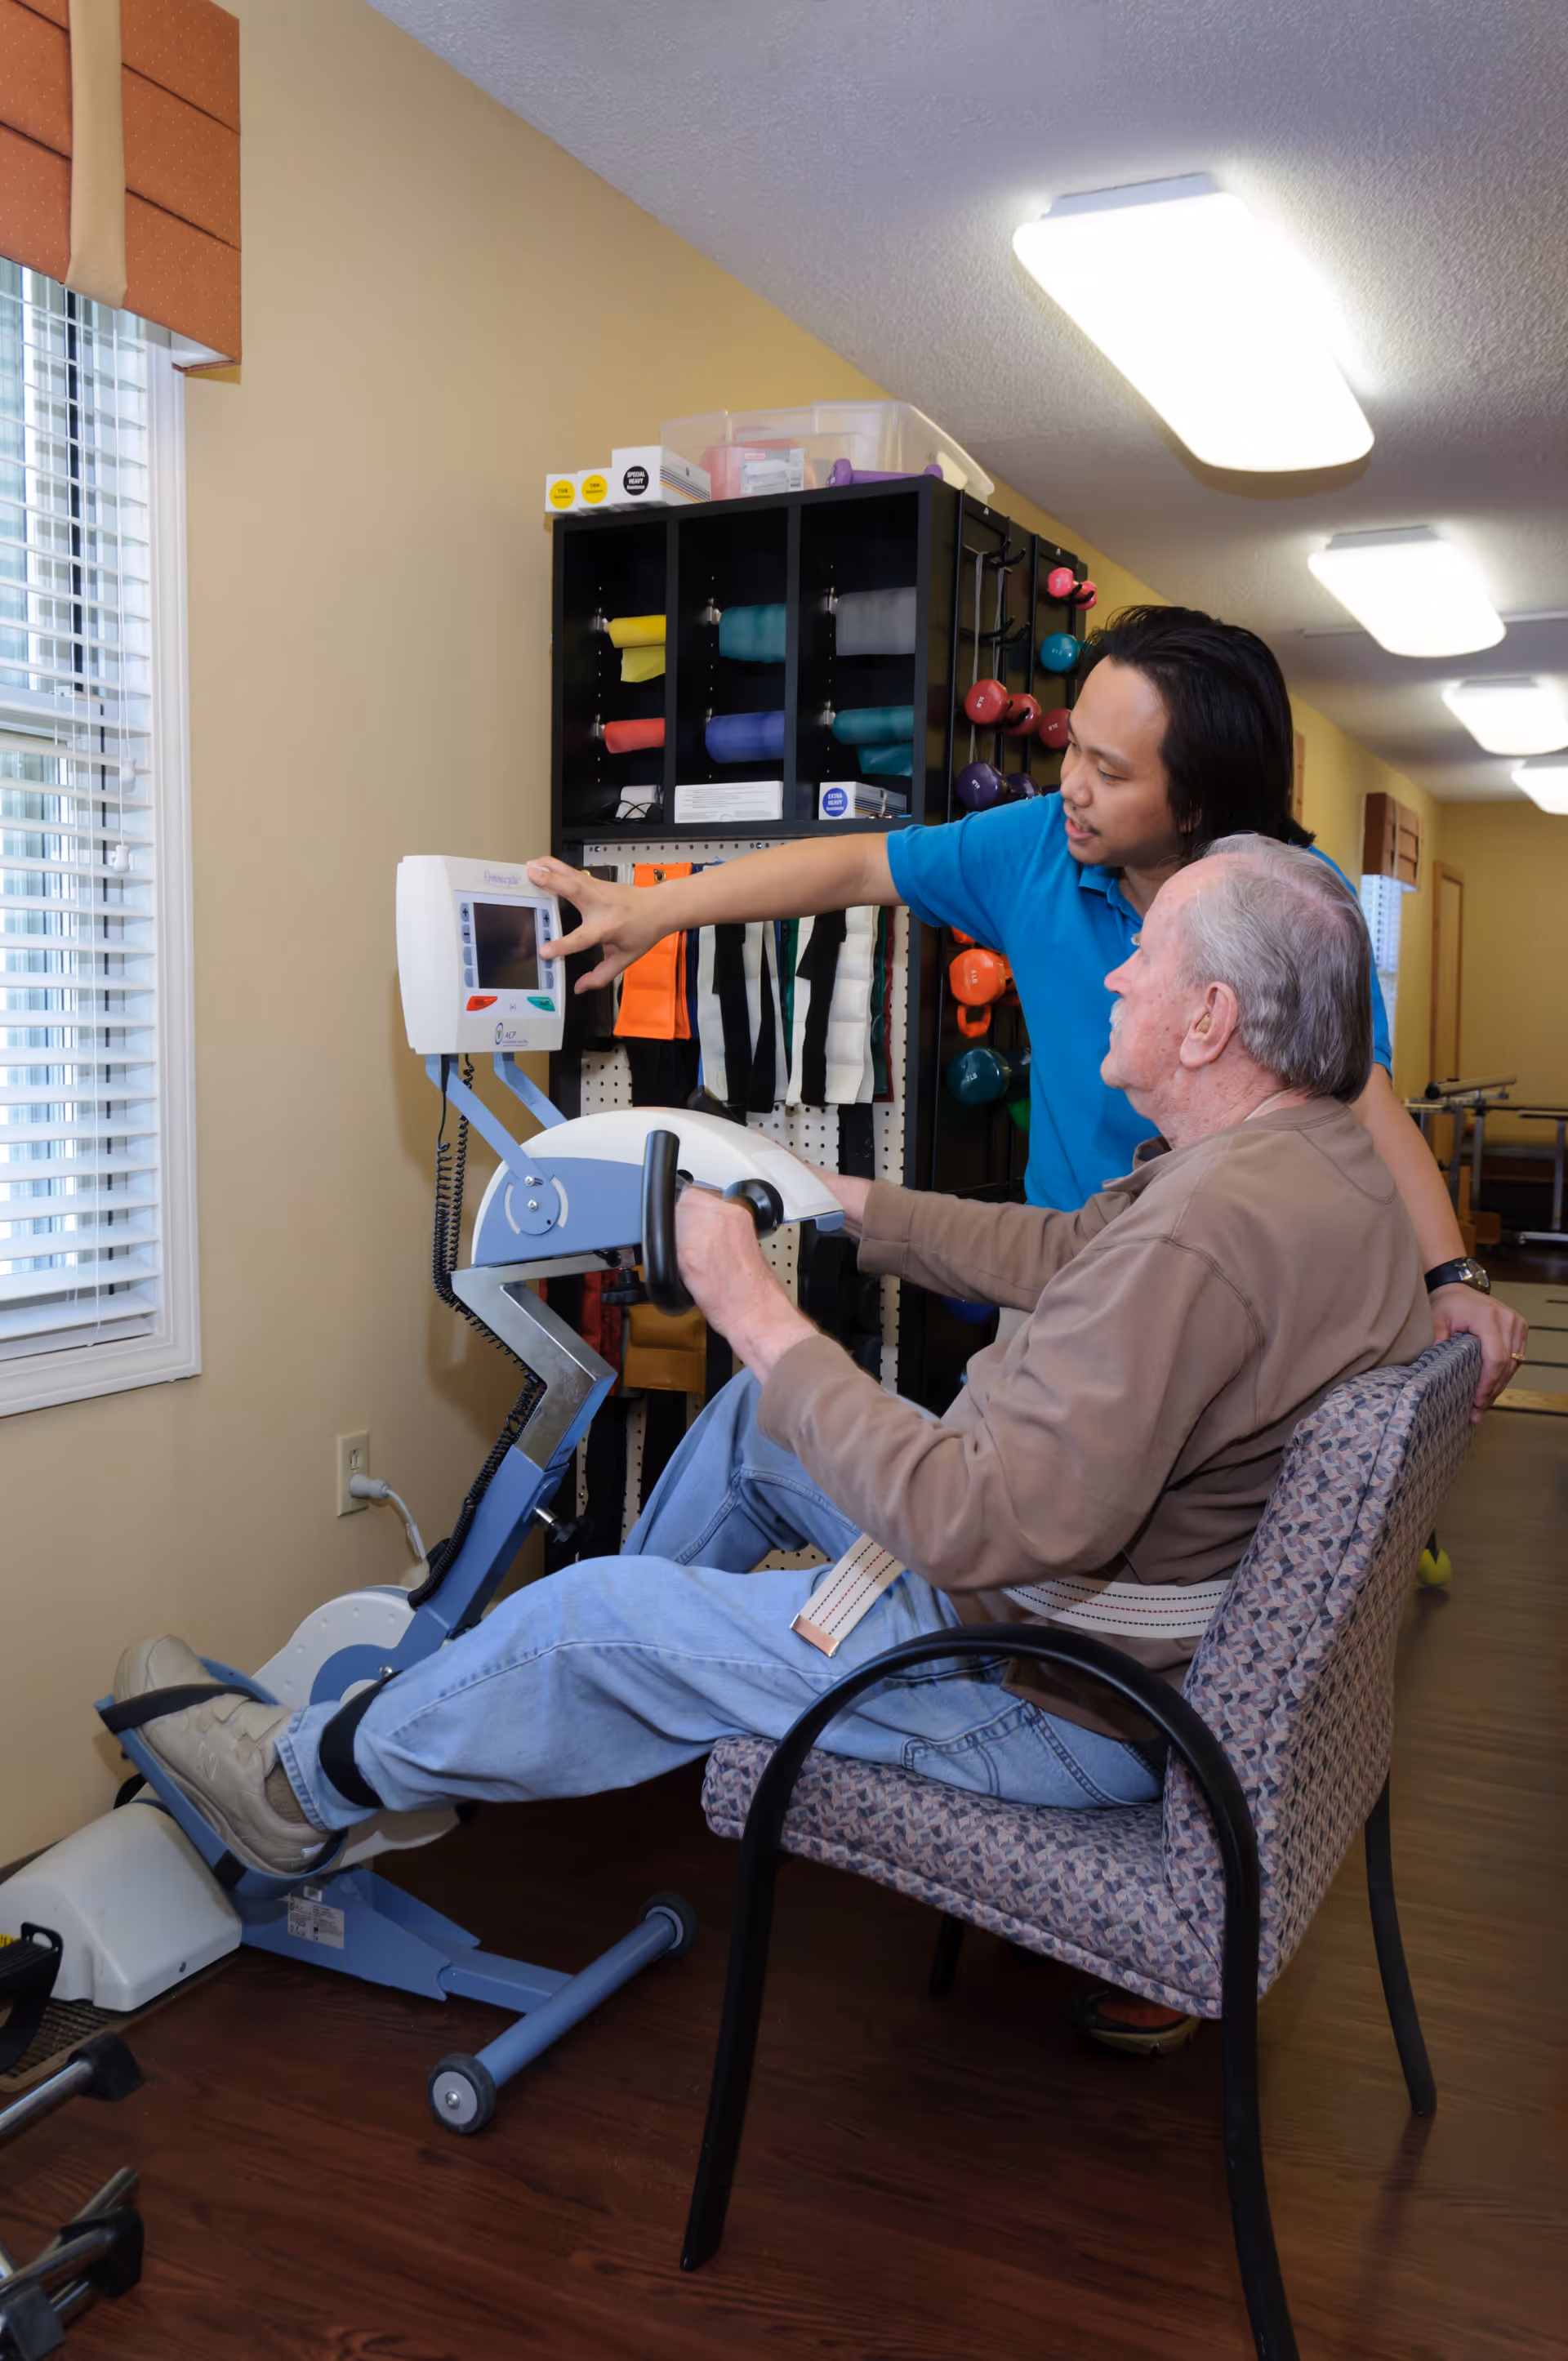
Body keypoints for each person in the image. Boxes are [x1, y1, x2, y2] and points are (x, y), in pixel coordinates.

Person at [115, 840, 1430, 2066]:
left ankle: (300, 1787)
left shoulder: (1206, 1241)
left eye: (1148, 950)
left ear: (1209, 1022)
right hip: (1082, 1625)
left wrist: (753, 1306)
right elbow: (1069, 1252)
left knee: (592, 1607)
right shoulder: (1308, 1166)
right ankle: (564, 1701)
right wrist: (835, 1198)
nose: (1118, 965)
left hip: (1037, 1679)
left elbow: (982, 1524)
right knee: (744, 1438)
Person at [525, 604, 1525, 1415]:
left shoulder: (1291, 905)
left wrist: (1450, 1278)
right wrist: (655, 907)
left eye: (1111, 771)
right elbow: (853, 862)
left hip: (1239, 1302)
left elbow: (1366, 1102)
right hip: (1070, 1272)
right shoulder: (1040, 844)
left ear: (1197, 804)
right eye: (1075, 749)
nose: (1072, 787)